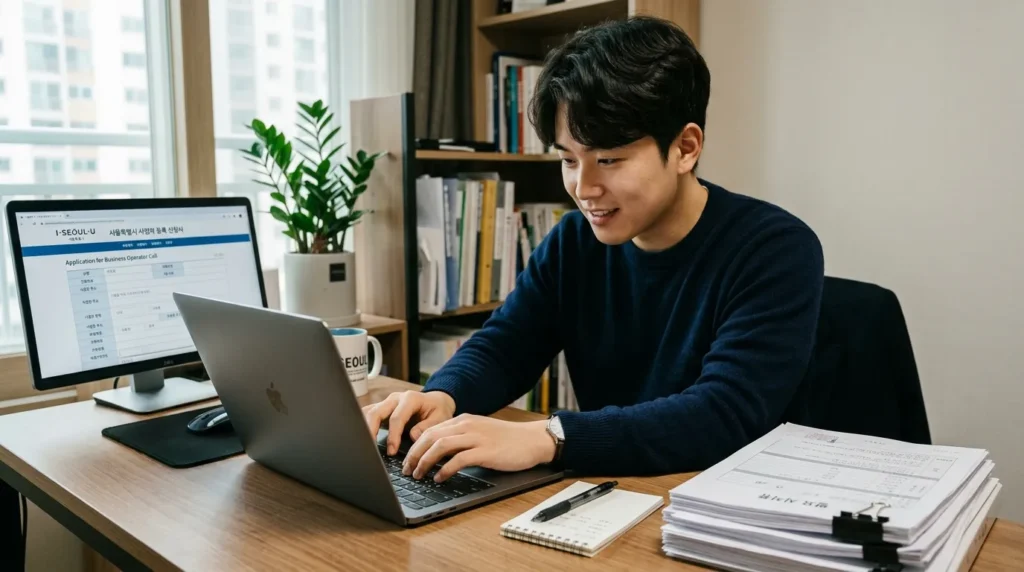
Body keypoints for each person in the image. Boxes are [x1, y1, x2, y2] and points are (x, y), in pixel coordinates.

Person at [362, 15, 825, 483]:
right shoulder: (573, 242)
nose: (583, 188)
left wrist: (550, 437)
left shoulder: (775, 248)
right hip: (616, 489)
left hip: (732, 502)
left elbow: (724, 413)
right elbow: (506, 346)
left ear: (686, 147)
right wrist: (444, 397)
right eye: (568, 159)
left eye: (609, 160)